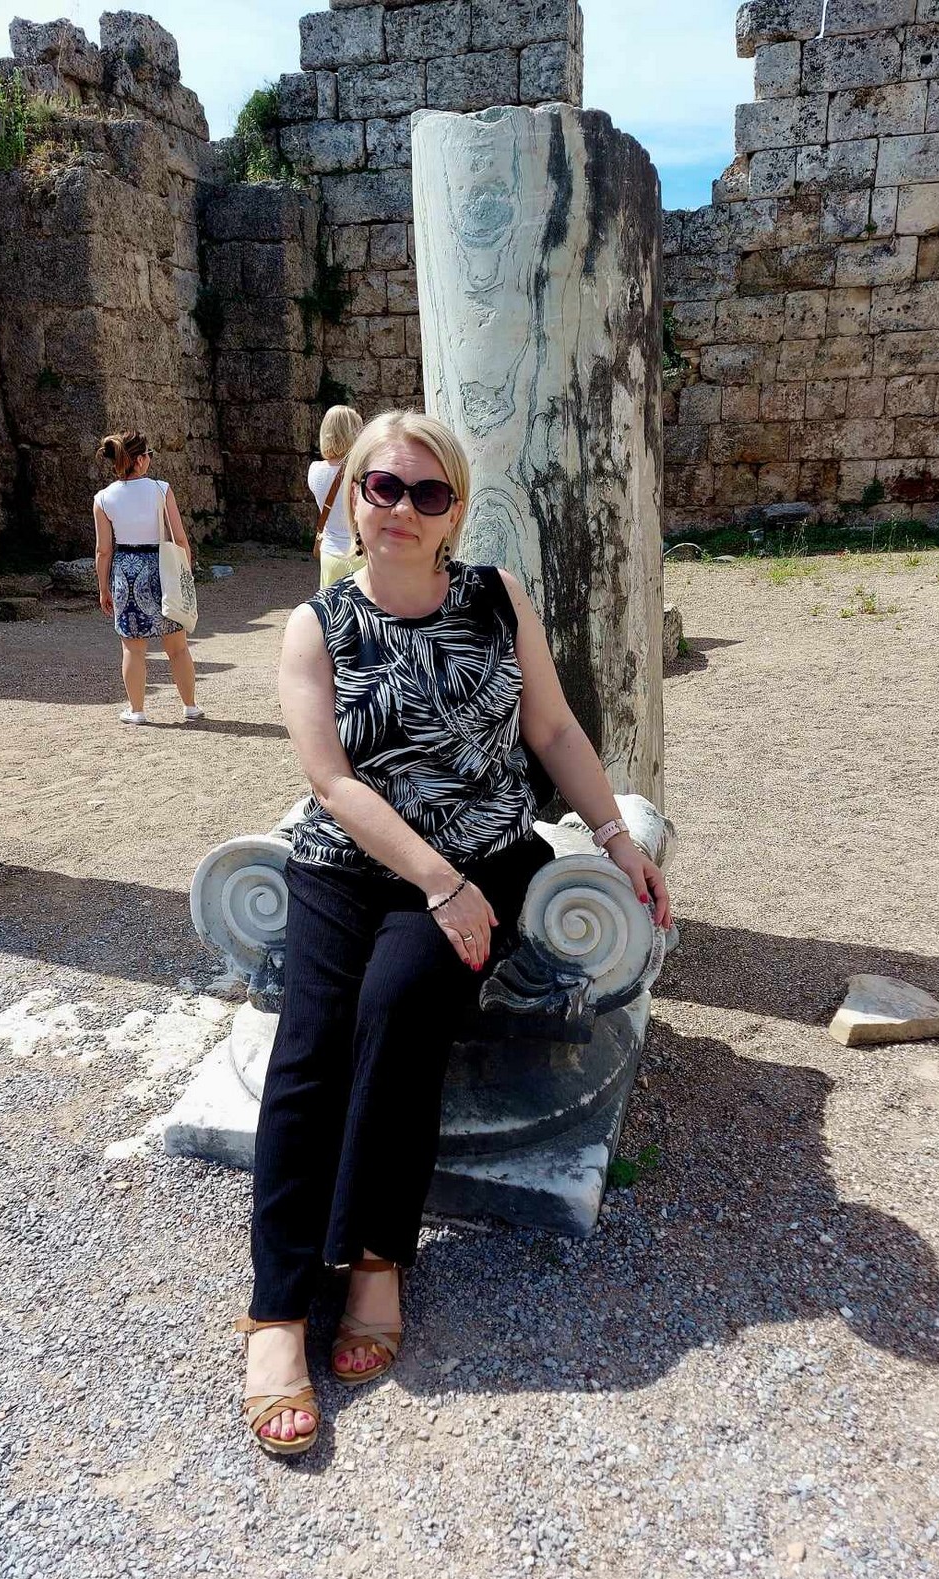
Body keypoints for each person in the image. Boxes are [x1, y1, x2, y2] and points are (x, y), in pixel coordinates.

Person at [235, 411, 673, 1456]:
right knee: (308, 1050)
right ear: (353, 497)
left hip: (487, 852)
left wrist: (616, 839)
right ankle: (278, 1312)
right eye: (383, 487)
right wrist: (436, 883)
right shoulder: (316, 626)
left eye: (427, 493)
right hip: (357, 863)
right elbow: (332, 782)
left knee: (399, 1009)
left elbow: (552, 729)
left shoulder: (495, 597)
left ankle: (377, 1255)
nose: (402, 508)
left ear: (454, 512)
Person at [93, 431, 203, 726]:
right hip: (162, 567)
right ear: (141, 460)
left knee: (133, 647)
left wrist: (103, 587)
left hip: (127, 571)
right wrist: (185, 575)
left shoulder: (103, 498)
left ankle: (137, 709)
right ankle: (190, 706)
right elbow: (180, 538)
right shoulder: (160, 489)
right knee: (177, 646)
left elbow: (104, 550)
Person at [308, 405, 365, 588]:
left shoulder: (315, 470)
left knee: (331, 604)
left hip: (329, 553)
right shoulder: (362, 473)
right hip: (361, 553)